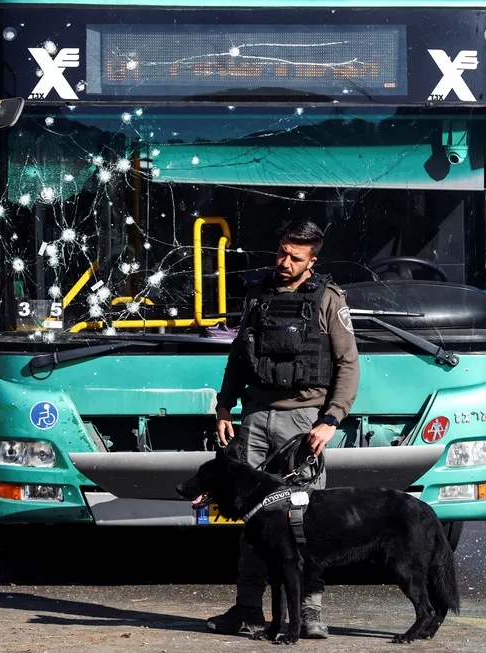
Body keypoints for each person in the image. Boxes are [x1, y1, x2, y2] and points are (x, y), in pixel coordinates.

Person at [209, 219, 360, 639]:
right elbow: (239, 356)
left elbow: (348, 365)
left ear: (312, 260)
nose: (284, 262)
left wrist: (331, 420)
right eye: (281, 252)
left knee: (304, 521)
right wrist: (224, 406)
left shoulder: (330, 299)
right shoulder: (258, 295)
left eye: (295, 257)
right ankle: (246, 608)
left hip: (304, 424)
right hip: (256, 417)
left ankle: (310, 610)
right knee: (253, 520)